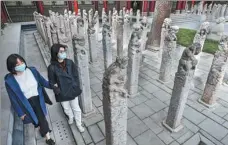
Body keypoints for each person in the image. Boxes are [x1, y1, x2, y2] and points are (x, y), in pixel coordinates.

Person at [4, 54, 55, 145]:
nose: (21, 65)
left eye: (22, 62)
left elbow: (42, 81)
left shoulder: (32, 71)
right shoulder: (10, 81)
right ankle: (42, 128)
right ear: (12, 67)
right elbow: (13, 99)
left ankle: (48, 137)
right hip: (26, 103)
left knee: (42, 118)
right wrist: (21, 113)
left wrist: (53, 86)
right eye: (17, 65)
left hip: (38, 100)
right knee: (35, 120)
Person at [48, 44, 84, 132]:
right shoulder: (51, 67)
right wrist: (57, 90)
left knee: (76, 108)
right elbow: (51, 81)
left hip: (72, 89)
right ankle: (70, 117)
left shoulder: (69, 62)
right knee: (66, 108)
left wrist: (75, 85)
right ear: (55, 53)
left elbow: (75, 75)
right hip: (62, 92)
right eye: (61, 52)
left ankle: (79, 124)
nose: (63, 53)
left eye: (64, 51)